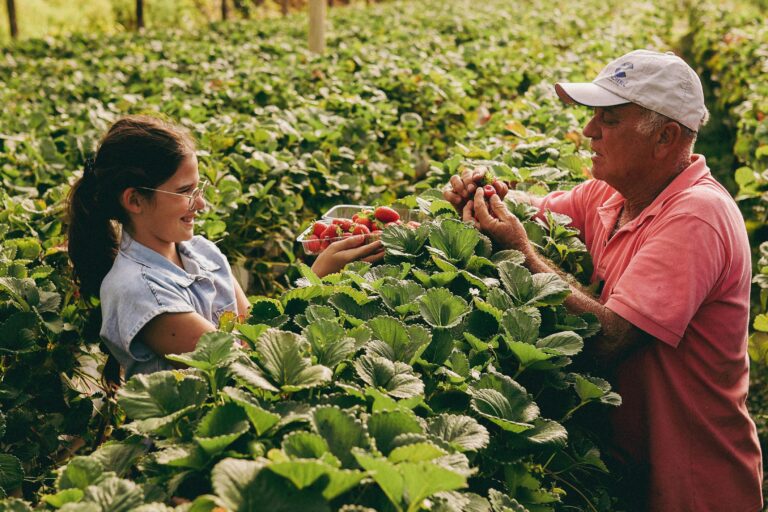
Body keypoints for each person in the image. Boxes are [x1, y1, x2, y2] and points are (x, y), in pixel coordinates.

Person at [444, 50, 764, 511]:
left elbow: (609, 337)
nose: (589, 131)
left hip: (693, 486)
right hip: (634, 472)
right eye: (593, 116)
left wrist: (518, 250)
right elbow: (537, 211)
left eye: (609, 121)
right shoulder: (614, 193)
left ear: (665, 138)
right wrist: (485, 196)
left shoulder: (698, 215)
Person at [67, 115, 383, 380]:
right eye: (185, 191)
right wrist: (317, 281)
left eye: (199, 187)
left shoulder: (201, 251)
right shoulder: (137, 291)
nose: (201, 203)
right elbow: (246, 364)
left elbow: (256, 330)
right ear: (134, 200)